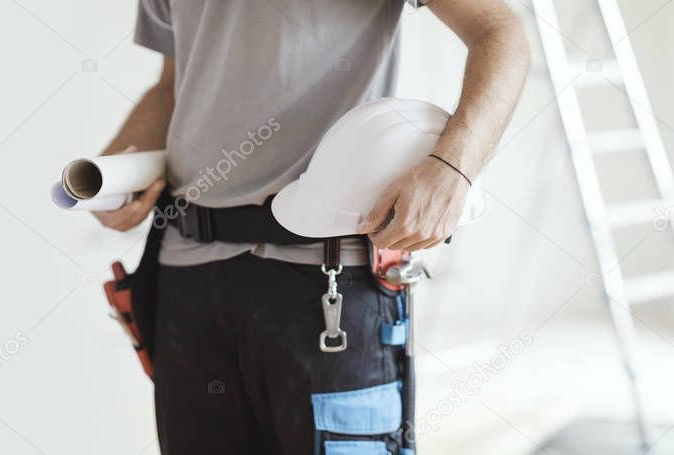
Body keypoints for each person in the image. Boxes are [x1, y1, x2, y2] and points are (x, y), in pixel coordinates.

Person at [94, 1, 530, 453]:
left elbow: (498, 31)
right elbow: (174, 83)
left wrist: (452, 167)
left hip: (327, 280)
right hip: (189, 275)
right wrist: (112, 173)